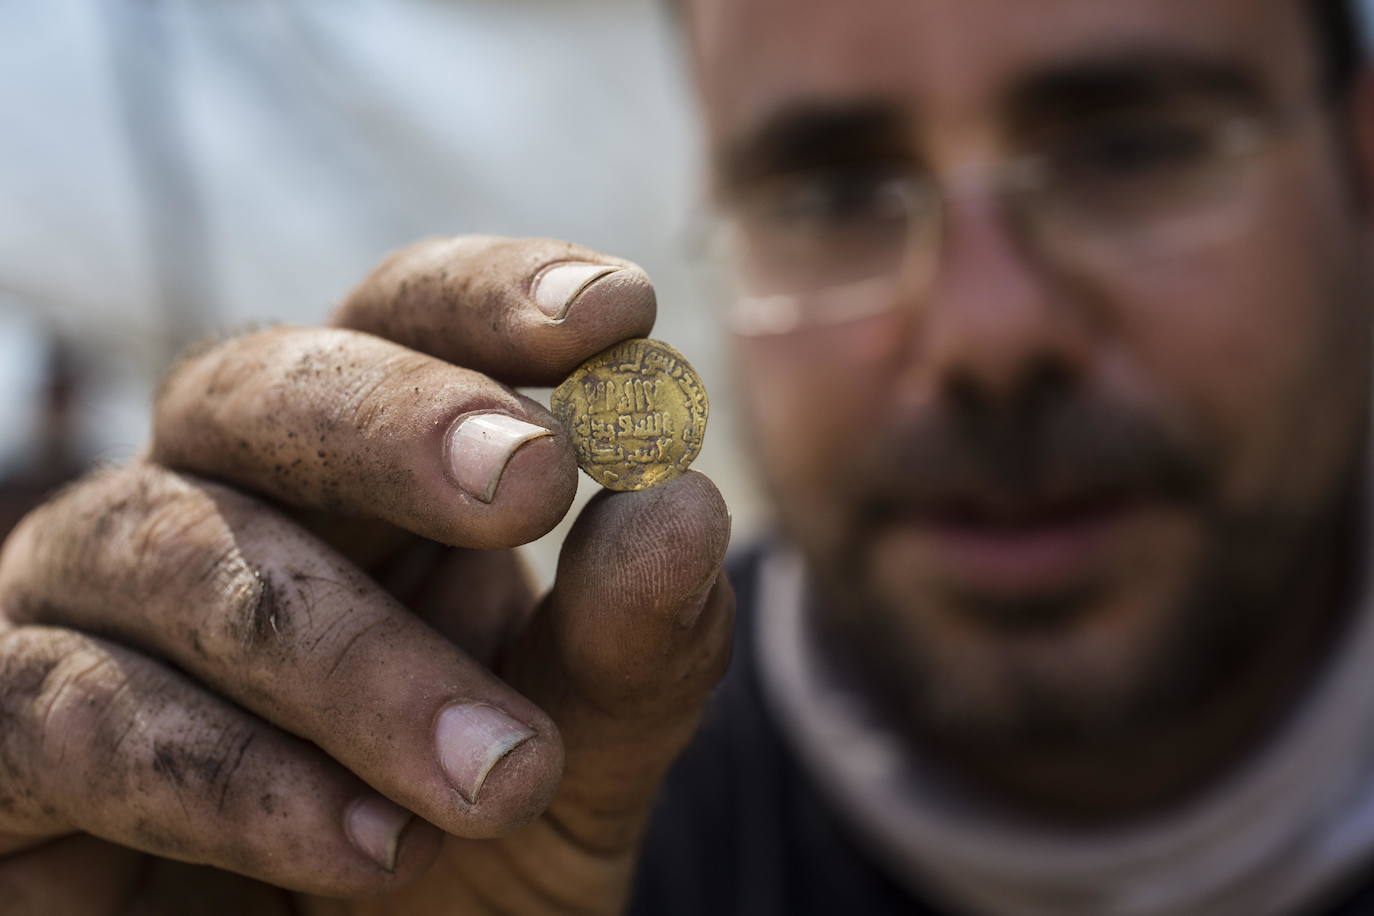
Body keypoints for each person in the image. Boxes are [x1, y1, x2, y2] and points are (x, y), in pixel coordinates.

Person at [0, 1, 1371, 915]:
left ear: (1359, 168)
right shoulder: (519, 821)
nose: (982, 331)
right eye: (829, 194)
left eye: (1127, 149)